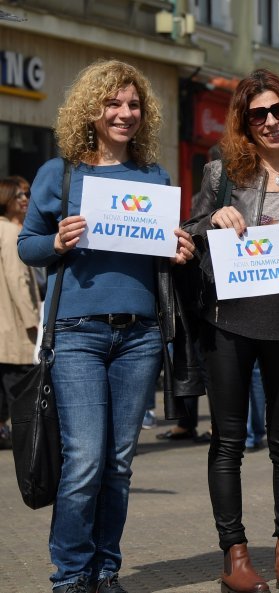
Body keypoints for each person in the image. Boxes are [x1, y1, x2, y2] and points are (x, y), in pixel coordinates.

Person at [17, 58, 195, 593]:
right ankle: (71, 574)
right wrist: (57, 241)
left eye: (133, 104)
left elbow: (159, 251)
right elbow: (29, 246)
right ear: (90, 110)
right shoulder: (62, 172)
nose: (124, 113)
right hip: (77, 333)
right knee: (85, 460)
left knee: (118, 464)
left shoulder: (153, 177)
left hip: (139, 335)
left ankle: (105, 569)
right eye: (113, 104)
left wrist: (179, 247)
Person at [182, 68, 279, 593]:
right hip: (230, 320)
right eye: (258, 115)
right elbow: (194, 230)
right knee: (226, 441)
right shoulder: (223, 169)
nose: (270, 122)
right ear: (245, 123)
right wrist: (215, 218)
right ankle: (236, 555)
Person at [0, 177, 39, 449]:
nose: (25, 200)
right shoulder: (12, 232)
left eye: (26, 195)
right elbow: (18, 281)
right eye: (18, 196)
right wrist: (34, 323)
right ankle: (28, 440)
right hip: (15, 325)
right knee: (21, 388)